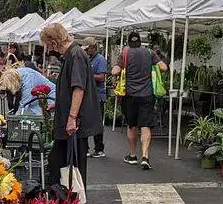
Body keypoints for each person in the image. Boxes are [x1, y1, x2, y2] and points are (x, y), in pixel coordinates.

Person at [40, 22, 101, 194]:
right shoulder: (73, 55)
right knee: (63, 162)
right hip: (70, 122)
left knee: (71, 164)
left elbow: (78, 87)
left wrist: (72, 117)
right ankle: (70, 202)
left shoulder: (76, 55)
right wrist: (58, 104)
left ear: (54, 42)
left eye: (48, 45)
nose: (49, 49)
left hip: (74, 125)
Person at [112, 30, 168, 171]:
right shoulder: (149, 53)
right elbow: (164, 67)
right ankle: (145, 156)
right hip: (147, 94)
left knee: (132, 125)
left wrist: (121, 69)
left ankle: (132, 155)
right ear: (140, 42)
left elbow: (115, 71)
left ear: (129, 42)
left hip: (130, 95)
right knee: (145, 126)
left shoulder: (124, 53)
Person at [84, 37, 108, 158]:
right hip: (89, 95)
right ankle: (86, 148)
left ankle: (99, 149)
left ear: (93, 47)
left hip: (98, 96)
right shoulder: (88, 58)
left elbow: (102, 77)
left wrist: (88, 75)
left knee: (97, 123)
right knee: (87, 121)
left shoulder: (100, 59)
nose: (87, 51)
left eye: (88, 49)